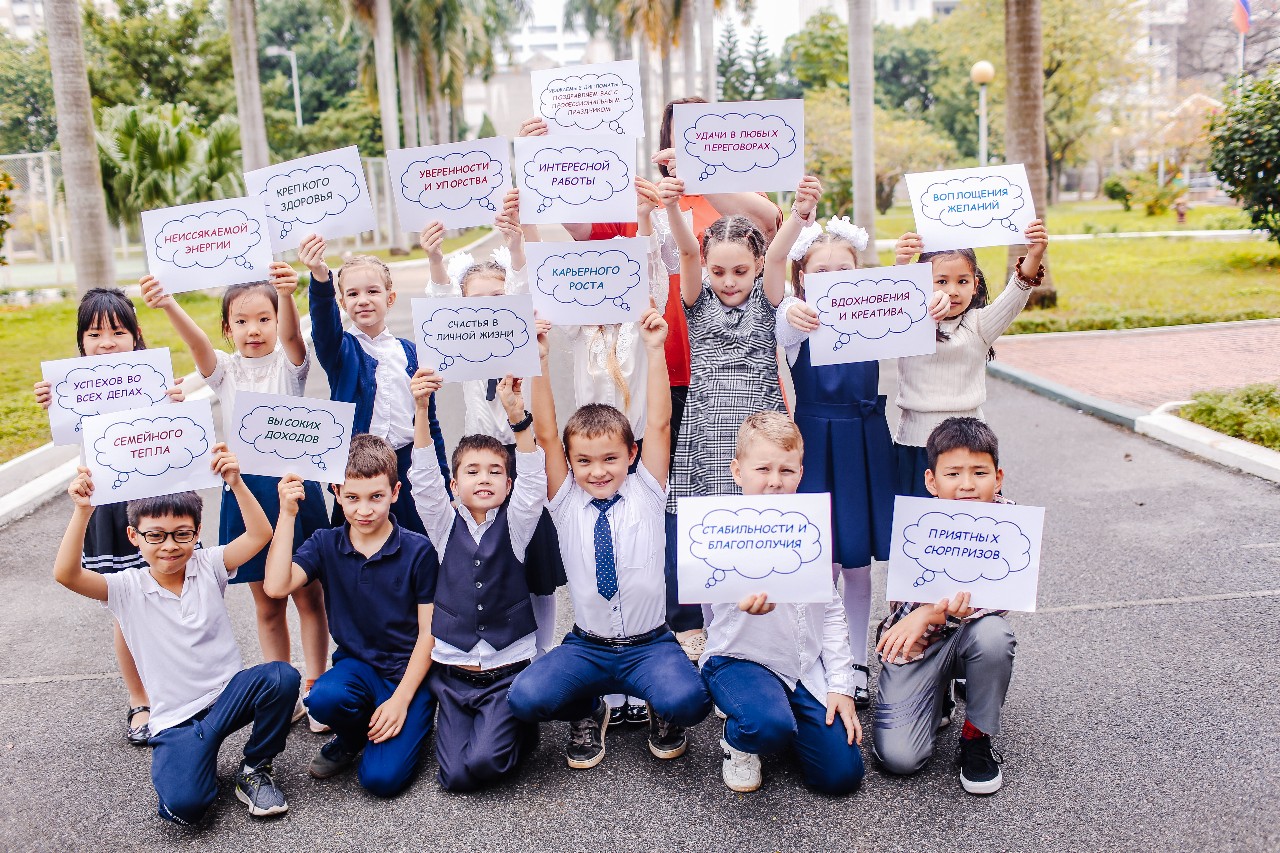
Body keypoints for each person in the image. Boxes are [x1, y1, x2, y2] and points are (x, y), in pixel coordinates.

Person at [507, 304, 712, 769]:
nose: (597, 471)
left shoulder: (647, 491)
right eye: (583, 461)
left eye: (609, 459)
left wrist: (655, 350)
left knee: (690, 701)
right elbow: (545, 434)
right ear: (570, 461)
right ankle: (588, 707)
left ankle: (660, 706)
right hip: (589, 645)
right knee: (526, 698)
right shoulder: (565, 500)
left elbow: (659, 424)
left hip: (650, 643)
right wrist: (539, 360)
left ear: (631, 454)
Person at [769, 177, 949, 707]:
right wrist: (791, 311)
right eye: (820, 272)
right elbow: (781, 313)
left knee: (857, 559)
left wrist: (923, 288)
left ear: (860, 274)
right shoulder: (796, 317)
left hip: (866, 438)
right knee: (821, 556)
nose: (833, 279)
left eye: (843, 270)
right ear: (804, 279)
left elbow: (911, 305)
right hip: (815, 441)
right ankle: (820, 659)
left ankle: (856, 662)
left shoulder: (873, 312)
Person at [53, 446, 298, 824]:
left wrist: (235, 482)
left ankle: (254, 768)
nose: (169, 545)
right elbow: (66, 575)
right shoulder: (126, 587)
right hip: (177, 720)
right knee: (187, 807)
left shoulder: (208, 564)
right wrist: (83, 511)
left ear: (197, 532)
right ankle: (195, 758)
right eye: (156, 535)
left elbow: (259, 534)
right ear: (134, 536)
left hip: (226, 697)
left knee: (281, 676)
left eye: (182, 534)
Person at [141, 266, 330, 729]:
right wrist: (168, 303)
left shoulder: (290, 365)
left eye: (264, 319)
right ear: (228, 328)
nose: (254, 330)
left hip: (295, 490)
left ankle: (316, 686)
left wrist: (287, 295)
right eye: (242, 322)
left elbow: (293, 338)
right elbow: (198, 348)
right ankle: (283, 690)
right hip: (247, 497)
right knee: (267, 603)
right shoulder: (224, 371)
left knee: (309, 596)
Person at [32, 288, 184, 745]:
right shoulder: (70, 386)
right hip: (109, 506)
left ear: (136, 335)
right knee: (128, 607)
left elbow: (174, 435)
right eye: (95, 334)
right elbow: (69, 427)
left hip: (158, 501)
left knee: (175, 597)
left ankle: (180, 694)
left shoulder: (153, 379)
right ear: (81, 341)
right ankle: (140, 701)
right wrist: (52, 399)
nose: (106, 343)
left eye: (117, 332)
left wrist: (175, 401)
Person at [420, 189, 565, 661]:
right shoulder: (461, 345)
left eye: (497, 299)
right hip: (482, 457)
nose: (488, 308)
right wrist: (435, 258)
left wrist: (517, 244)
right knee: (492, 557)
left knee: (535, 560)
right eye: (477, 301)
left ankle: (543, 649)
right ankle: (496, 647)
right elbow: (441, 301)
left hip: (522, 453)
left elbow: (524, 287)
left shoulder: (520, 336)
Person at [264, 435, 439, 798]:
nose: (364, 510)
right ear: (337, 492)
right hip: (356, 668)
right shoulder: (325, 543)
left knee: (381, 780)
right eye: (353, 497)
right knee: (322, 698)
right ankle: (353, 736)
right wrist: (287, 514)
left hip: (408, 675)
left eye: (376, 496)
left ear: (395, 492)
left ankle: (406, 726)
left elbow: (429, 634)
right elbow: (276, 586)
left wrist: (400, 700)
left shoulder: (418, 550)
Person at [700, 412, 865, 795]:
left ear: (800, 473)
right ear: (738, 472)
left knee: (841, 776)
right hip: (741, 660)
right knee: (766, 725)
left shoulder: (809, 528)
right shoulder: (720, 528)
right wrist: (739, 597)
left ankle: (784, 722)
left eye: (786, 470)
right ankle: (740, 739)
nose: (775, 480)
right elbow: (709, 591)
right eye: (763, 469)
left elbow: (831, 613)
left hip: (803, 668)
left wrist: (841, 685)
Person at [660, 173, 788, 660]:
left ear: (757, 266)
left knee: (758, 530)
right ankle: (714, 641)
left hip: (759, 431)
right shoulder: (696, 302)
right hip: (707, 430)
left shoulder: (768, 299)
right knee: (708, 536)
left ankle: (759, 640)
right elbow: (686, 251)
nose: (729, 281)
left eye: (739, 270)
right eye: (719, 271)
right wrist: (672, 207)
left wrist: (799, 217)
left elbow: (780, 252)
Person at [407, 368, 545, 791]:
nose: (484, 477)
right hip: (454, 676)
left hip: (506, 671)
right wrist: (421, 408)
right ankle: (489, 728)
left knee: (484, 763)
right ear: (454, 484)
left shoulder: (516, 525)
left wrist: (517, 417)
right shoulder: (443, 526)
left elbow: (534, 480)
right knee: (453, 777)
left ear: (507, 483)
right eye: (472, 471)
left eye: (494, 471)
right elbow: (423, 480)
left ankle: (521, 729)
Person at [872, 417, 1018, 795]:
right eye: (953, 473)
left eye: (979, 472)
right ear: (931, 481)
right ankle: (937, 699)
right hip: (921, 647)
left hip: (969, 641)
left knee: (994, 635)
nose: (967, 484)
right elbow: (903, 613)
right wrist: (920, 617)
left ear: (998, 478)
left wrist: (930, 612)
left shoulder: (1010, 523)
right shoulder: (916, 524)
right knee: (899, 759)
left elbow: (1001, 600)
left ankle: (976, 738)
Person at [299, 235, 450, 532]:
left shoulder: (412, 353)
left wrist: (443, 481)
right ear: (342, 303)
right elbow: (324, 325)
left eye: (372, 291)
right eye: (353, 294)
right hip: (359, 471)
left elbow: (430, 423)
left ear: (390, 298)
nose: (363, 300)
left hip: (409, 467)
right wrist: (320, 276)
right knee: (359, 546)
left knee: (416, 544)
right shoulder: (341, 351)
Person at [891, 221, 1048, 497]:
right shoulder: (905, 323)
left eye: (962, 281)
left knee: (969, 520)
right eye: (941, 281)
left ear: (975, 285)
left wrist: (1034, 254)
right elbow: (888, 305)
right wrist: (901, 265)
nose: (952, 290)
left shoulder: (979, 324)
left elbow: (1018, 291)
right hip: (915, 445)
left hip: (970, 444)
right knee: (915, 521)